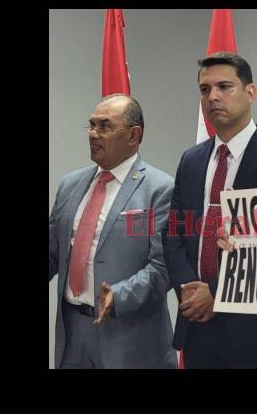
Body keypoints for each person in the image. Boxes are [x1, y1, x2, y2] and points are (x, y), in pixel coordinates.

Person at [163, 52, 257, 368]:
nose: (213, 96)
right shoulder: (191, 160)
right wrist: (189, 290)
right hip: (196, 320)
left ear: (251, 93)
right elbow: (175, 231)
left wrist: (218, 293)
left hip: (253, 324)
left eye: (224, 86)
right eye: (205, 90)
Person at [49, 94, 177, 369]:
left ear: (133, 135)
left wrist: (119, 296)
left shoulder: (160, 190)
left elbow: (163, 267)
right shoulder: (70, 185)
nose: (94, 134)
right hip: (73, 334)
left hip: (130, 338)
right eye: (91, 125)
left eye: (105, 126)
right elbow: (53, 251)